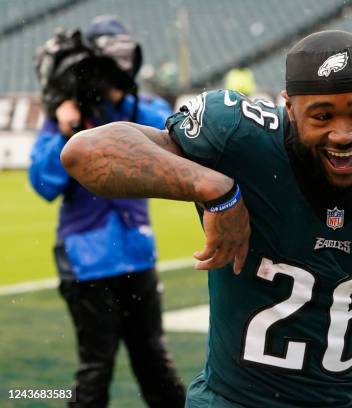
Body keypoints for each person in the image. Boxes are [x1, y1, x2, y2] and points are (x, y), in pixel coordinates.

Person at [61, 30, 352, 407]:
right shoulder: (241, 140)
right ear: (288, 108)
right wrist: (216, 190)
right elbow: (85, 153)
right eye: (322, 115)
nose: (343, 133)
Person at [29, 17, 185, 407]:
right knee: (96, 369)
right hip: (87, 260)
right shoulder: (63, 118)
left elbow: (170, 136)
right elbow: (44, 184)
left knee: (154, 362)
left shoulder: (138, 108)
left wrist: (118, 97)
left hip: (136, 254)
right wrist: (67, 130)